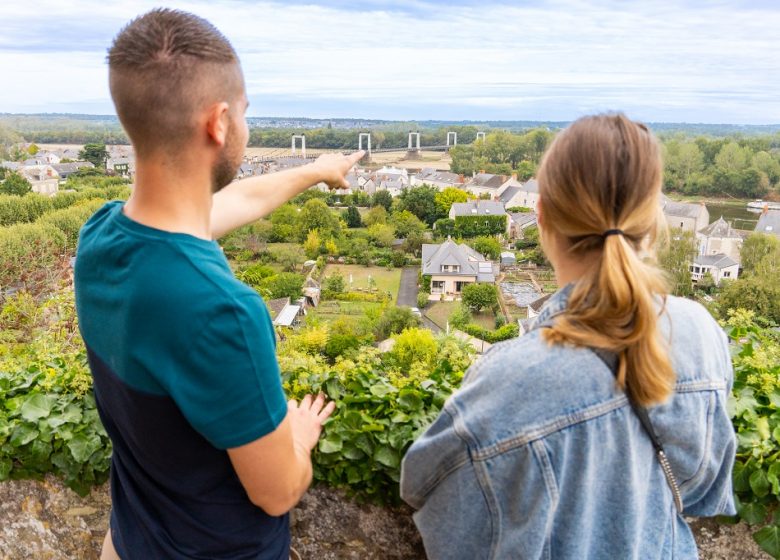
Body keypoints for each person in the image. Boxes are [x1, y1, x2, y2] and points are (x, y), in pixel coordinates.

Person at [74, 9, 363, 559]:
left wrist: (316, 170)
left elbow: (231, 203)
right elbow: (277, 492)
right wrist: (298, 437)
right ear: (220, 122)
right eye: (247, 115)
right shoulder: (221, 311)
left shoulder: (100, 239)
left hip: (132, 542)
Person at [400, 114, 736, 559]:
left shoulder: (513, 377)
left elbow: (434, 500)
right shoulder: (700, 331)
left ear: (541, 217)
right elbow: (704, 492)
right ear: (652, 223)